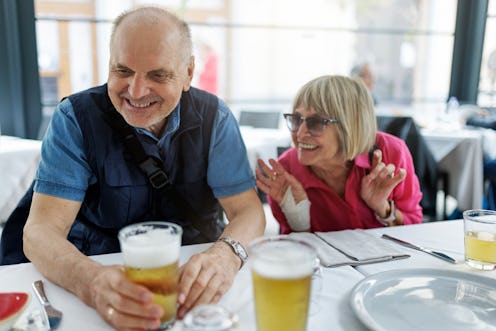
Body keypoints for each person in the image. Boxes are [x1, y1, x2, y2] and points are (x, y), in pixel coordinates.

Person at [14, 6, 265, 330]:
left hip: (194, 284)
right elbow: (39, 234)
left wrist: (225, 257)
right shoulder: (74, 118)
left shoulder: (215, 118)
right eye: (123, 71)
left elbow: (249, 211)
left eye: (157, 75)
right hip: (94, 278)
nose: (135, 91)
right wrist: (91, 282)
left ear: (188, 73)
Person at [256, 75, 422, 234]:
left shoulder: (392, 153)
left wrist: (382, 207)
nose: (299, 133)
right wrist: (298, 218)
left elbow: (414, 227)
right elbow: (295, 252)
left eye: (316, 123)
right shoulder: (286, 171)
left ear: (350, 126)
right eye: (297, 119)